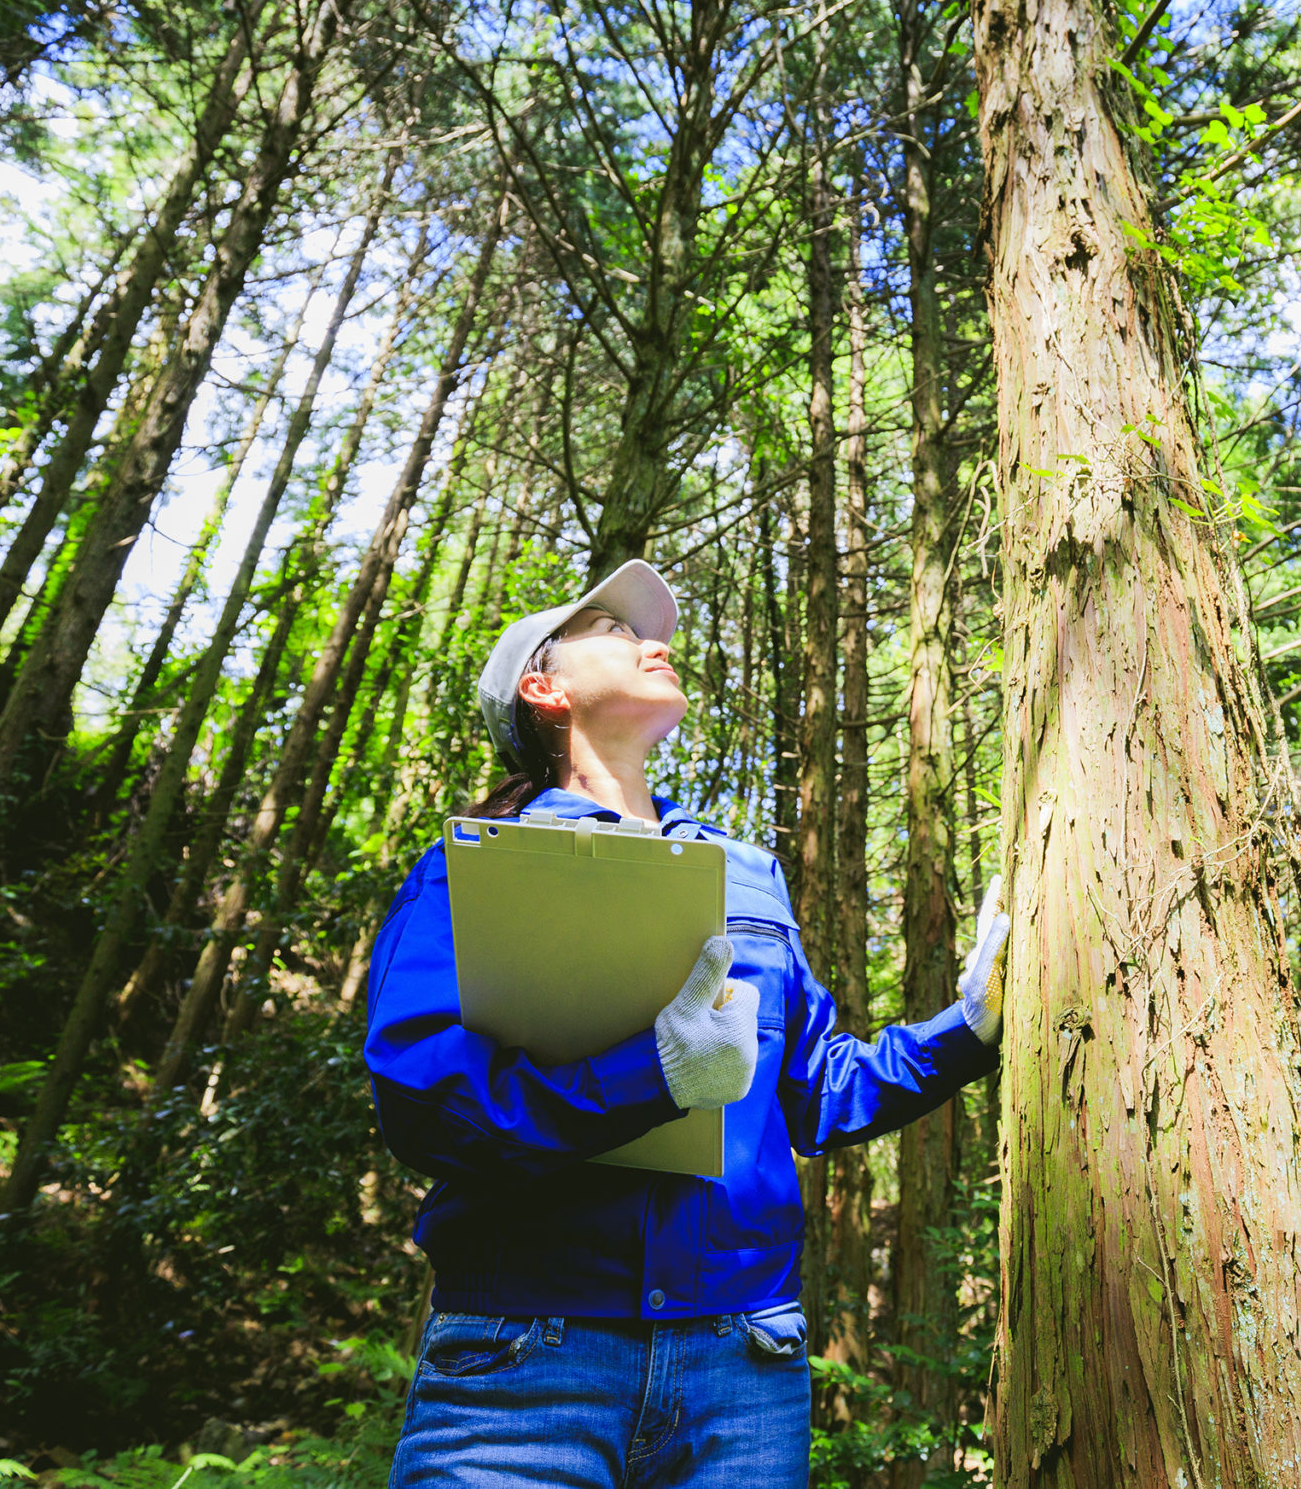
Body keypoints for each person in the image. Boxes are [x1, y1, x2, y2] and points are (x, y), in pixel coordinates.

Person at [365, 558, 1009, 1489]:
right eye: (617, 632)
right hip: (521, 1361)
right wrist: (653, 1073)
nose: (653, 641)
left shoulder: (746, 872)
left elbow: (816, 1090)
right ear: (545, 689)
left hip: (741, 1368)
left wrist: (969, 1026)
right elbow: (426, 1100)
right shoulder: (465, 870)